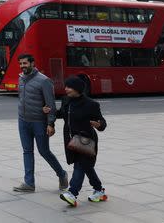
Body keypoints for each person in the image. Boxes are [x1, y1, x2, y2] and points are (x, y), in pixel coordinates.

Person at [44, 77, 108, 207]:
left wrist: (98, 124)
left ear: (78, 89)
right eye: (66, 86)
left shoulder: (91, 104)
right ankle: (99, 190)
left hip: (86, 141)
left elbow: (102, 123)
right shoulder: (66, 100)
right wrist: (51, 112)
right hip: (71, 140)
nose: (66, 89)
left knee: (79, 165)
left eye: (69, 87)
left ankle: (72, 193)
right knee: (87, 167)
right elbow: (63, 113)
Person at [13, 53, 69, 193]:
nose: (22, 66)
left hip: (39, 122)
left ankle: (62, 174)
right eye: (20, 64)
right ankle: (29, 183)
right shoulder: (21, 79)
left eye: (25, 63)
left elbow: (50, 104)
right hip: (23, 121)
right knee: (27, 151)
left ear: (32, 63)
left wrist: (51, 123)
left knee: (44, 151)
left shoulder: (44, 81)